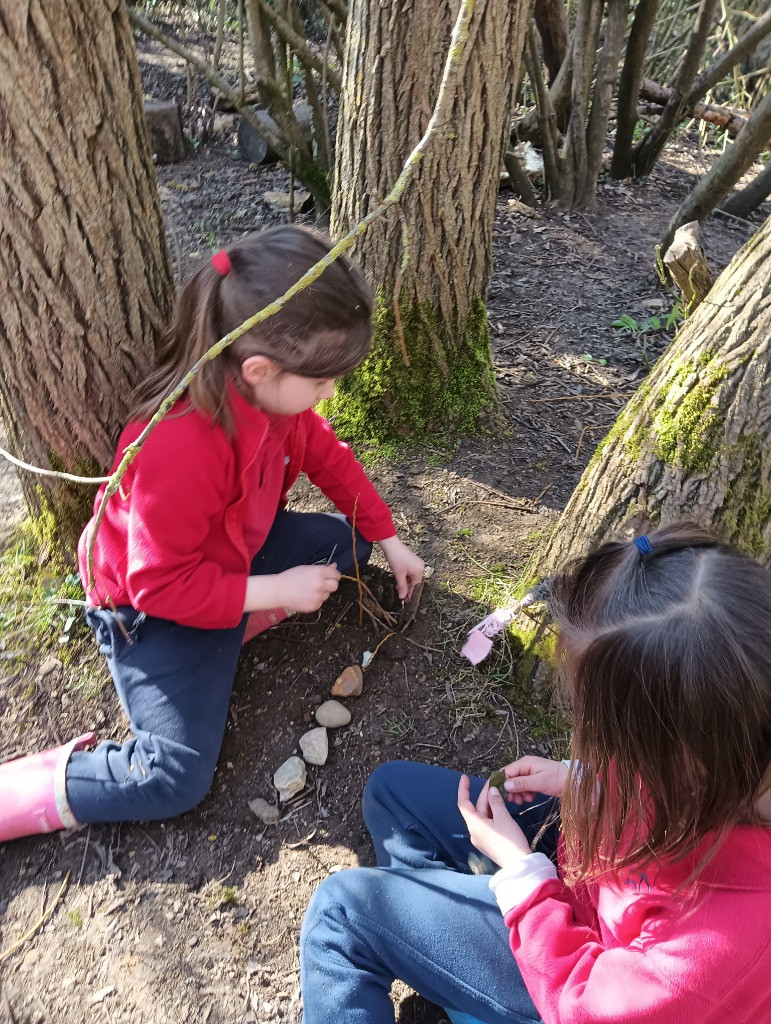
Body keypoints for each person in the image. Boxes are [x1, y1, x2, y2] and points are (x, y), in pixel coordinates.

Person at [0, 225, 424, 843]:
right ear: (257, 369)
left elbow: (327, 456)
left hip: (234, 555)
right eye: (323, 380)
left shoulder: (280, 403)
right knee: (174, 778)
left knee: (352, 545)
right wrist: (273, 588)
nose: (331, 394)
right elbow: (159, 586)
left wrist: (388, 537)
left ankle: (238, 622)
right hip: (151, 611)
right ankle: (22, 794)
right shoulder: (181, 447)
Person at [300, 524, 771, 1023]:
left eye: (606, 736)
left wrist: (522, 877)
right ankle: (458, 979)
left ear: (676, 761)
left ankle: (467, 980)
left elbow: (588, 1009)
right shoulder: (723, 754)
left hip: (571, 975)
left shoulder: (726, 944)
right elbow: (650, 794)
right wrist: (580, 780)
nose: (587, 736)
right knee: (393, 795)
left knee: (340, 914)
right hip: (584, 884)